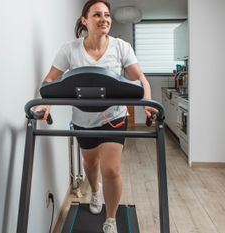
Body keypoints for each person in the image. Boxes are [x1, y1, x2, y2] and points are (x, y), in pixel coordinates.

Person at [35, 0, 155, 232]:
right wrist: (46, 105)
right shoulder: (70, 49)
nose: (104, 19)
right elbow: (49, 81)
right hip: (83, 120)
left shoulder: (121, 47)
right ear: (85, 20)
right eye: (97, 15)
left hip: (114, 118)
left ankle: (110, 220)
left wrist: (147, 106)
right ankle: (95, 191)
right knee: (90, 164)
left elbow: (141, 79)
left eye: (107, 15)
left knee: (111, 169)